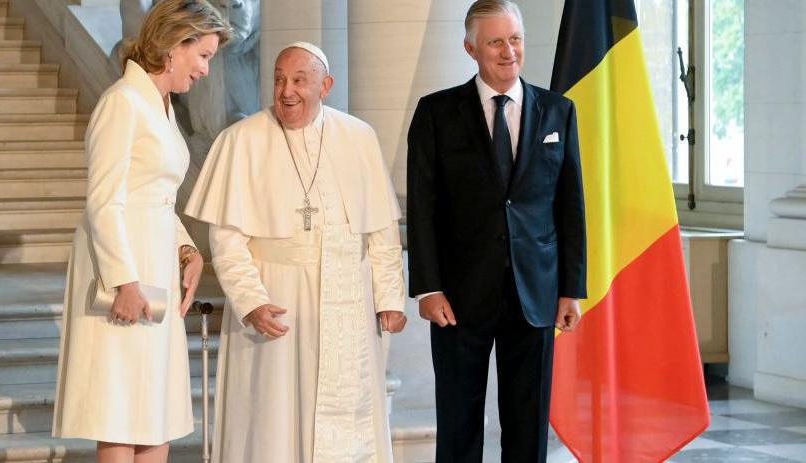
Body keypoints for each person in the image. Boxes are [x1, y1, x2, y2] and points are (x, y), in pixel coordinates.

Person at [185, 42, 406, 463]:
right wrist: (251, 301)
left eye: (300, 81)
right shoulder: (242, 139)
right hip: (277, 303)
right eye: (279, 79)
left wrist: (390, 298)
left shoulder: (359, 137)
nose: (286, 90)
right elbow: (227, 241)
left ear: (326, 86)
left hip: (348, 303)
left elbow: (381, 232)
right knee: (275, 424)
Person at [406, 1, 587, 461]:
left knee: (527, 427)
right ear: (470, 48)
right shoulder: (436, 113)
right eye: (495, 42)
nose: (509, 51)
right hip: (458, 297)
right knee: (459, 421)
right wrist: (428, 287)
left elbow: (570, 206)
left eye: (515, 39)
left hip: (536, 294)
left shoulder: (558, 112)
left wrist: (571, 289)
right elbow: (422, 208)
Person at [52, 2, 230, 462]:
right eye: (204, 56)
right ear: (176, 43)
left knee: (156, 411)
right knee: (122, 410)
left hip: (154, 265)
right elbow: (104, 200)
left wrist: (188, 250)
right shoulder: (122, 103)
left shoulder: (162, 106)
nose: (206, 71)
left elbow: (155, 196)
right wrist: (124, 282)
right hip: (125, 270)